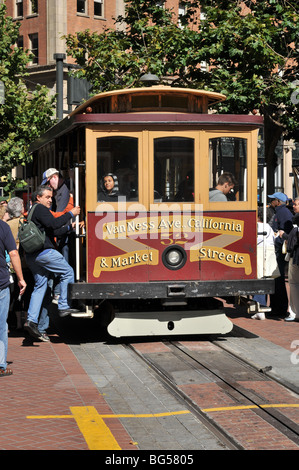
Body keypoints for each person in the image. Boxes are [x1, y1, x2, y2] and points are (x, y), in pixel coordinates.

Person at [24, 185, 81, 341]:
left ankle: (31, 320)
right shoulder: (40, 209)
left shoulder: (32, 212)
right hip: (44, 253)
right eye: (47, 197)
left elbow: (53, 231)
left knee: (40, 285)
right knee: (68, 272)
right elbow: (54, 224)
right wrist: (71, 213)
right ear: (38, 197)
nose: (50, 200)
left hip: (32, 256)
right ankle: (63, 306)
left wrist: (70, 227)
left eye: (51, 197)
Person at [0, 218, 26, 376]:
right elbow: (13, 253)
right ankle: (1, 365)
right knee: (1, 326)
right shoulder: (2, 227)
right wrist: (21, 278)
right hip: (1, 283)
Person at [268, 192, 293, 317]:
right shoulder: (281, 212)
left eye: (272, 199)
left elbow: (285, 233)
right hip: (278, 249)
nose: (270, 201)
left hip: (279, 251)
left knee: (278, 279)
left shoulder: (283, 213)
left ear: (277, 201)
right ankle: (276, 308)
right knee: (277, 279)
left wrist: (277, 238)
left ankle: (280, 309)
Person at [251, 207, 276, 320]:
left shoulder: (257, 226)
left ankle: (259, 308)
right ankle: (261, 306)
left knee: (259, 280)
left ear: (259, 216)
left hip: (260, 252)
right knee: (265, 280)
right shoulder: (269, 227)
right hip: (270, 253)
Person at [280, 197, 299, 322]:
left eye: (296, 204)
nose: (294, 206)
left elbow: (293, 239)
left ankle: (294, 313)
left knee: (293, 284)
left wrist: (284, 236)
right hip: (295, 256)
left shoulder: (296, 219)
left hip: (296, 256)